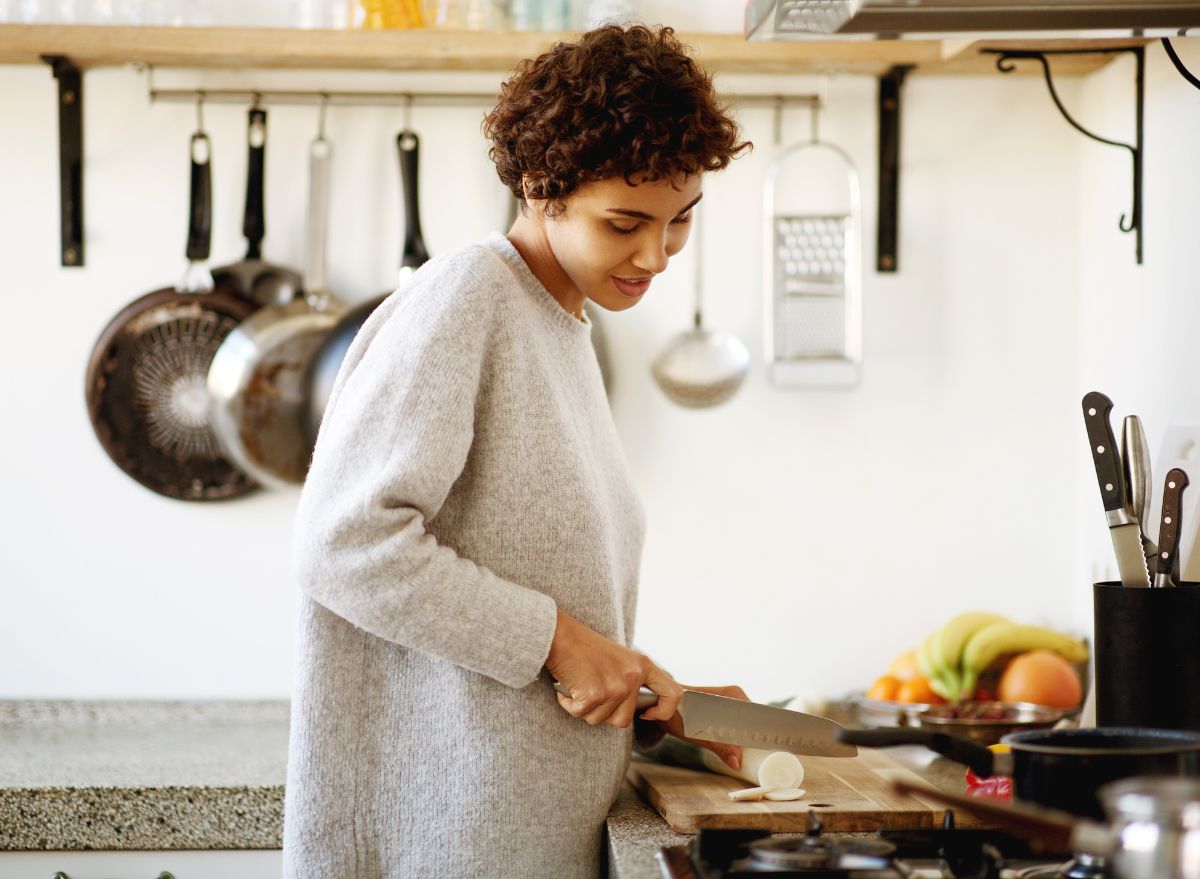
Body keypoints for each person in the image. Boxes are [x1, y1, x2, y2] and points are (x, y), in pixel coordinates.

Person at [283, 24, 752, 878]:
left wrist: (644, 682)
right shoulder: (465, 299)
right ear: (542, 188)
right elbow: (344, 543)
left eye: (680, 221)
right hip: (447, 841)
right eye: (625, 223)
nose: (655, 254)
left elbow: (526, 582)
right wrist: (563, 641)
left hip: (517, 828)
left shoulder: (558, 324)